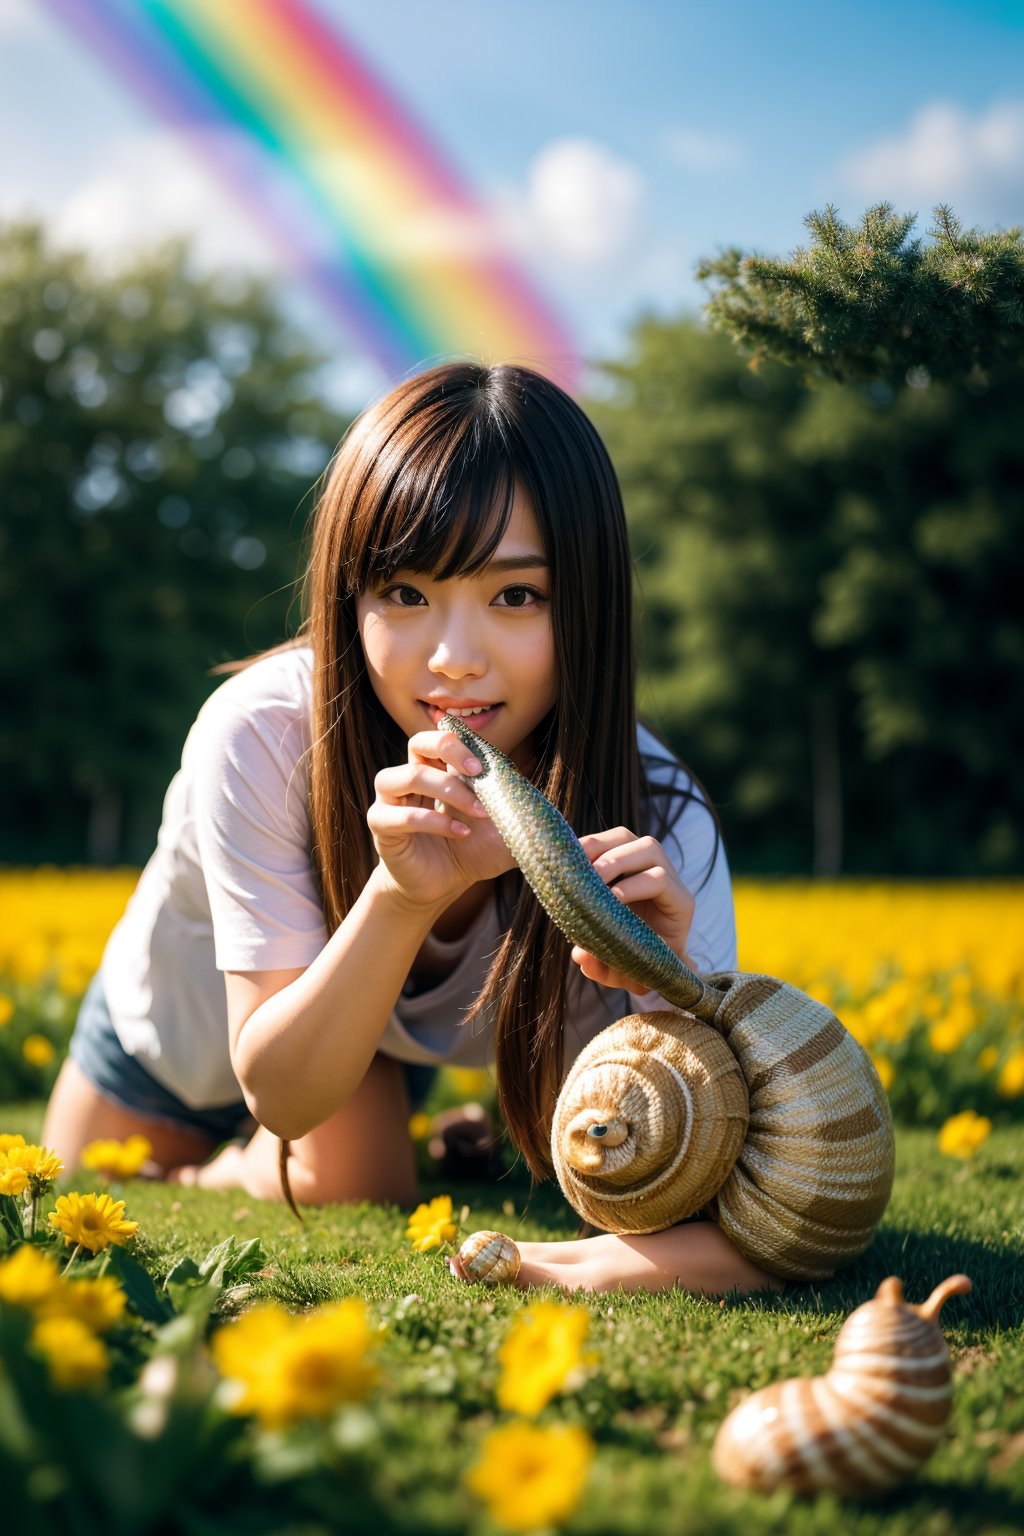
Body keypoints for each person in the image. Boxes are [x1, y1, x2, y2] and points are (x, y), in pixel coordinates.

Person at [43, 362, 775, 1296]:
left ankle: (398, 1134)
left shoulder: (658, 813)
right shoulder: (265, 734)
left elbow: (724, 1186)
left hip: (364, 1033)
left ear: (588, 604)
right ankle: (214, 1169)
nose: (454, 662)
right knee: (112, 1201)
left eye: (517, 597)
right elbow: (284, 1090)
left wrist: (663, 991)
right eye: (404, 592)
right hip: (175, 1047)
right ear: (347, 597)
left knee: (386, 1174)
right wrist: (400, 894)